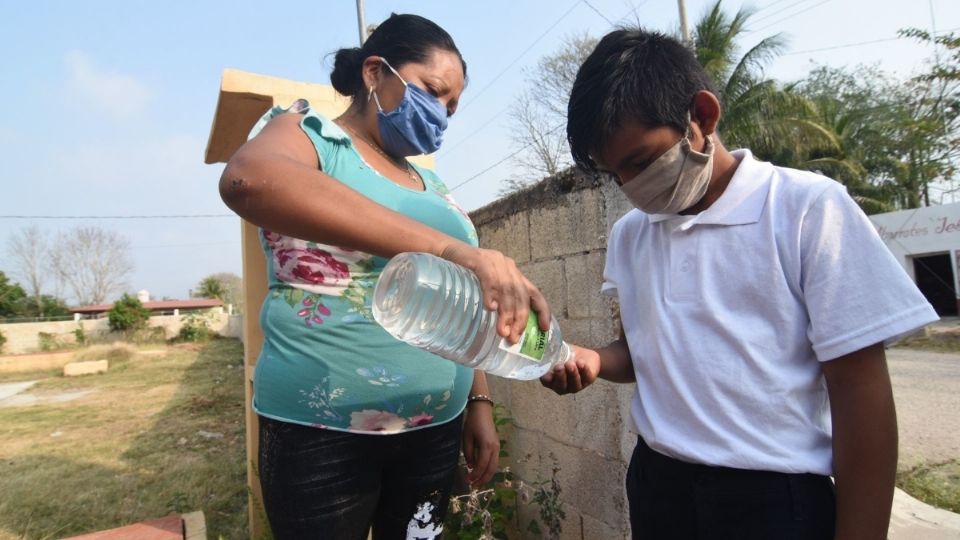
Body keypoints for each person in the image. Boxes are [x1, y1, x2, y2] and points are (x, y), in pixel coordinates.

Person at [540, 28, 939, 540]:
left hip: (772, 500)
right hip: (659, 485)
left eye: (640, 162)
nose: (632, 189)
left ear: (702, 117)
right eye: (614, 175)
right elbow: (643, 351)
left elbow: (859, 391)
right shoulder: (630, 236)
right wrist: (594, 359)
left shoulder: (806, 209)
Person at [218, 14, 550, 540]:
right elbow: (247, 180)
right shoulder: (311, 137)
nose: (441, 113)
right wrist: (447, 247)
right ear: (376, 72)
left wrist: (478, 402)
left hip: (434, 431)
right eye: (434, 91)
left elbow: (463, 302)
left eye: (452, 106)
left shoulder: (433, 184)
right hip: (322, 431)